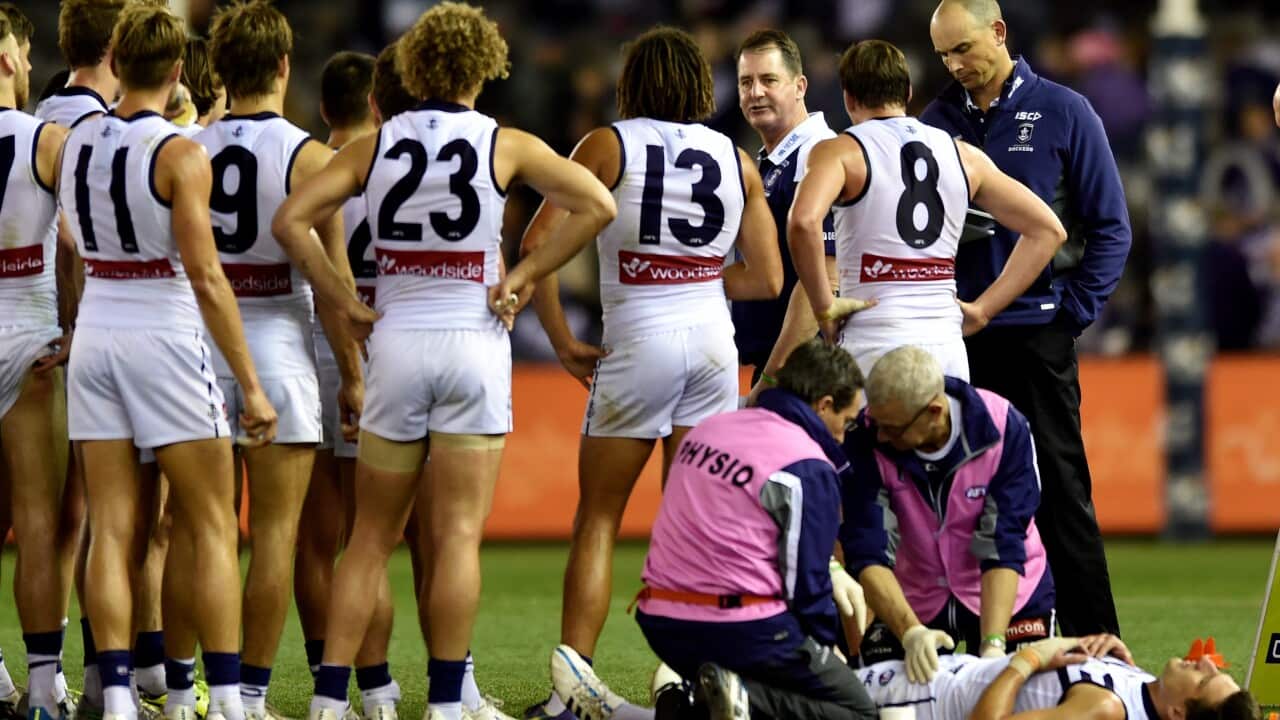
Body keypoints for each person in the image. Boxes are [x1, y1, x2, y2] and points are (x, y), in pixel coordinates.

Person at [270, 5, 616, 720]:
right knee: (457, 535)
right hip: (473, 338)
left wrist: (343, 298)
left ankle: (332, 703)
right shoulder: (507, 143)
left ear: (417, 67)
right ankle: (450, 703)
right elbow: (596, 204)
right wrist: (524, 274)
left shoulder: (375, 146)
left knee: (367, 538)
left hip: (396, 340)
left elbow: (291, 222)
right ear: (484, 66)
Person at [503, 24, 783, 720]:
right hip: (715, 345)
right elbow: (770, 276)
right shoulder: (735, 156)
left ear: (633, 83)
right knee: (699, 524)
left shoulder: (606, 144)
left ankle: (574, 693)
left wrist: (564, 339)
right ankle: (704, 680)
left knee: (598, 519)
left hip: (638, 339)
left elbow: (536, 242)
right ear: (699, 85)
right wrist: (701, 278)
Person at [59, 5, 279, 720]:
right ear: (180, 72)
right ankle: (229, 703)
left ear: (115, 61)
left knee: (113, 527)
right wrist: (250, 383)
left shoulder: (74, 141)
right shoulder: (183, 153)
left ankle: (117, 692)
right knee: (210, 522)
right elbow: (209, 278)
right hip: (163, 327)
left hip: (96, 328)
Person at [921, 0, 1131, 636]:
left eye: (964, 48)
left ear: (1000, 33)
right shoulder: (935, 123)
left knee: (1063, 495)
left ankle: (1098, 647)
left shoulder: (1066, 111)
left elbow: (1111, 229)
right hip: (961, 342)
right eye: (944, 55)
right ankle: (990, 642)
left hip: (1037, 338)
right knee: (970, 498)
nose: (956, 64)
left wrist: (1069, 315)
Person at [199, 3, 365, 717]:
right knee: (275, 537)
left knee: (190, 534)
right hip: (279, 344)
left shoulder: (183, 149)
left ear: (218, 70)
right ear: (283, 67)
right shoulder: (309, 157)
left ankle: (185, 687)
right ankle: (251, 696)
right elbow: (335, 290)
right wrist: (353, 376)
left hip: (197, 344)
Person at [789, 39, 1065, 384]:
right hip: (944, 342)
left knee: (871, 438)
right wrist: (982, 310)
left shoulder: (838, 152)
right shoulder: (963, 155)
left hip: (874, 336)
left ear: (848, 97)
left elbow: (802, 222)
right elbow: (1048, 231)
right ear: (907, 91)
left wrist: (824, 309)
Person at [629, 338, 876, 720]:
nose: (842, 438)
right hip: (743, 628)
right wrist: (826, 650)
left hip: (661, 620)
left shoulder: (707, 431)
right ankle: (739, 698)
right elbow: (806, 586)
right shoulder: (808, 464)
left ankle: (687, 706)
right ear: (825, 405)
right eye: (845, 423)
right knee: (858, 711)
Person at [840, 345, 1054, 681]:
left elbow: (1003, 540)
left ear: (935, 411)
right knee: (891, 701)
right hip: (915, 597)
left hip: (1010, 595)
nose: (881, 436)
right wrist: (910, 632)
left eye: (893, 429)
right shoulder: (866, 438)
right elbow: (868, 552)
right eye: (878, 424)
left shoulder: (1004, 427)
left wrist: (993, 646)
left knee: (1018, 697)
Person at [295, 48, 401, 720]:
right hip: (385, 353)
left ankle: (322, 674)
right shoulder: (398, 168)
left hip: (312, 353)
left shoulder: (308, 166)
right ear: (375, 104)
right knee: (375, 538)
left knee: (315, 536)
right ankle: (380, 689)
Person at [0, 9, 72, 719]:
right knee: (38, 522)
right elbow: (80, 243)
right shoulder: (46, 139)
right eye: (21, 52)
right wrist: (77, 327)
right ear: (8, 60)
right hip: (28, 335)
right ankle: (45, 690)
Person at [731, 29, 840, 392]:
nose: (755, 92)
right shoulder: (776, 160)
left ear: (800, 86)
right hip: (783, 364)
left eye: (769, 80)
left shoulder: (816, 155)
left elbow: (823, 280)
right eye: (746, 82)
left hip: (803, 371)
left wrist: (772, 378)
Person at [858, 635, 1260, 720]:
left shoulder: (1103, 709)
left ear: (1177, 713)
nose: (1207, 663)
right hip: (930, 678)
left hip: (915, 701)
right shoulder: (1142, 687)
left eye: (1207, 681)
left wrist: (1027, 659)